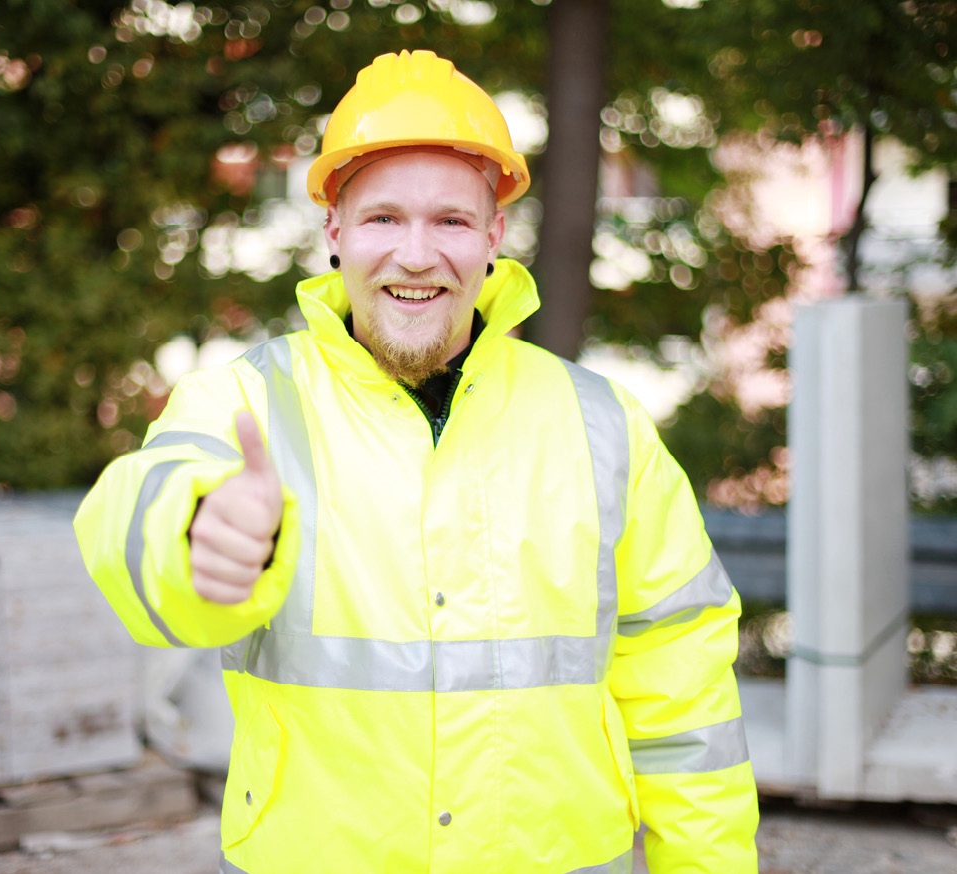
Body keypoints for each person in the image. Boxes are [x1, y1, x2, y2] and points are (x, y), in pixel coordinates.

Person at [75, 49, 759, 874]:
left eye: (451, 221)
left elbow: (685, 692)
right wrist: (191, 536)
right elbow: (129, 516)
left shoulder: (603, 425)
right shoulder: (246, 405)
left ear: (494, 237)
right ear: (334, 232)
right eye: (384, 219)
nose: (416, 254)